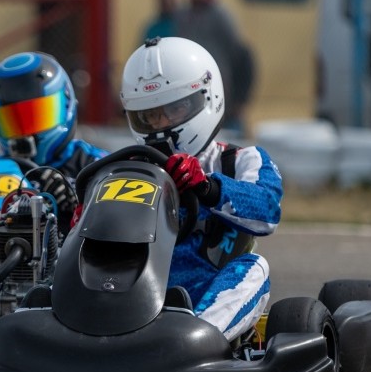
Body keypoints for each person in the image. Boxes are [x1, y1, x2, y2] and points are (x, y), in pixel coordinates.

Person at [119, 36, 283, 343]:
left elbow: (268, 212)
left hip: (205, 291)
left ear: (206, 98)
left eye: (173, 110)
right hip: (133, 288)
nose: (160, 124)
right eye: (150, 115)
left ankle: (196, 341)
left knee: (255, 268)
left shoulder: (238, 160)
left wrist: (207, 188)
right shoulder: (130, 168)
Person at [0, 51, 108, 233]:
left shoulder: (97, 166)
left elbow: (114, 225)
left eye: (37, 116)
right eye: (13, 122)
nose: (28, 133)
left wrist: (78, 201)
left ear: (66, 104)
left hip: (71, 258)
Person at [175, 0, 255, 137]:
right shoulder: (184, 16)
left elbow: (242, 56)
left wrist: (241, 98)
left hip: (224, 94)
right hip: (194, 95)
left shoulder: (220, 15)